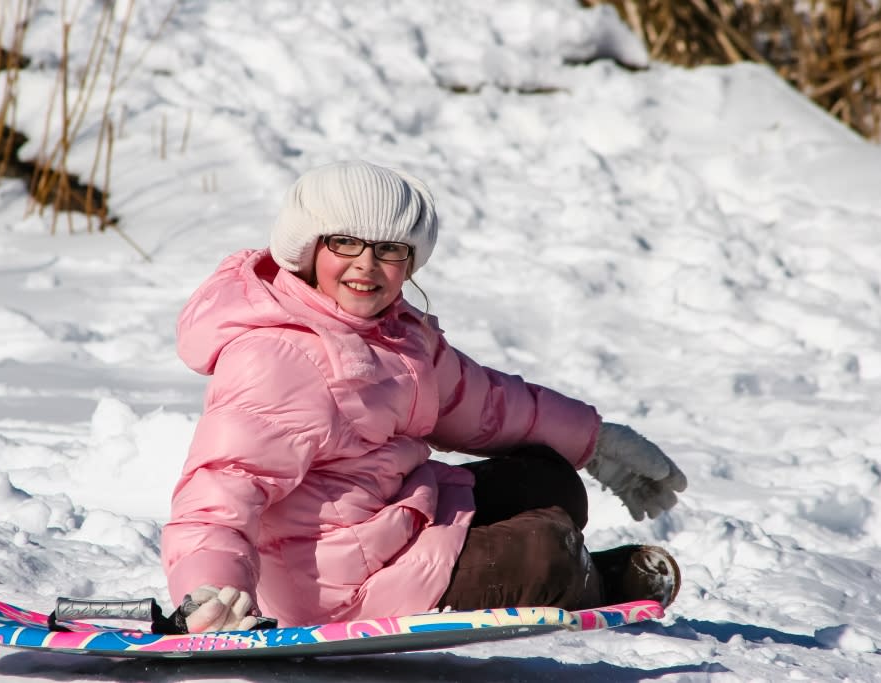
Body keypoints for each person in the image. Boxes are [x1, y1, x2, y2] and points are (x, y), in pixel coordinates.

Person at [161, 160, 688, 632]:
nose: (366, 265)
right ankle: (584, 578)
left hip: (396, 519)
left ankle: (568, 564)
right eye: (345, 242)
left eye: (389, 249)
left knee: (548, 478)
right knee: (546, 549)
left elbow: (482, 403)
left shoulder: (395, 334)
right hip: (333, 584)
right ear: (308, 247)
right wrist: (211, 592)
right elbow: (223, 487)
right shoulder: (276, 356)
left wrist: (594, 442)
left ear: (410, 263)